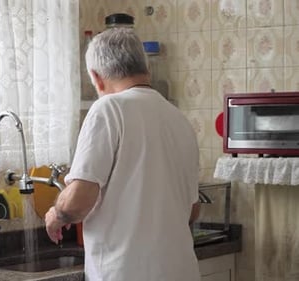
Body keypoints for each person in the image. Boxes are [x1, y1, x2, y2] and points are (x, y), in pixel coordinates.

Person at [44, 27, 201, 281]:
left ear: (97, 78)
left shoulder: (108, 109)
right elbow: (192, 211)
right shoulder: (179, 119)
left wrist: (56, 215)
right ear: (146, 68)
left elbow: (78, 201)